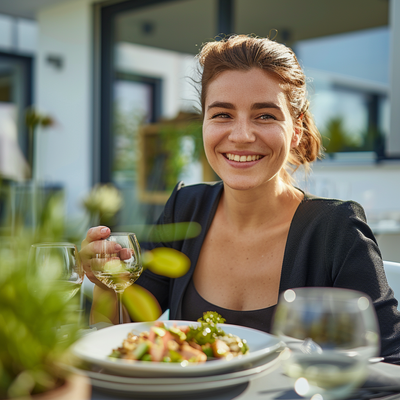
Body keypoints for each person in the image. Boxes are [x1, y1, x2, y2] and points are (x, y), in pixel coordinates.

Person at [81, 35, 400, 363]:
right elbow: (123, 340)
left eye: (265, 116)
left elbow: (390, 362)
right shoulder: (184, 208)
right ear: (203, 122)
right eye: (222, 115)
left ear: (296, 129)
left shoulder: (336, 230)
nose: (242, 135)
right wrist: (107, 282)